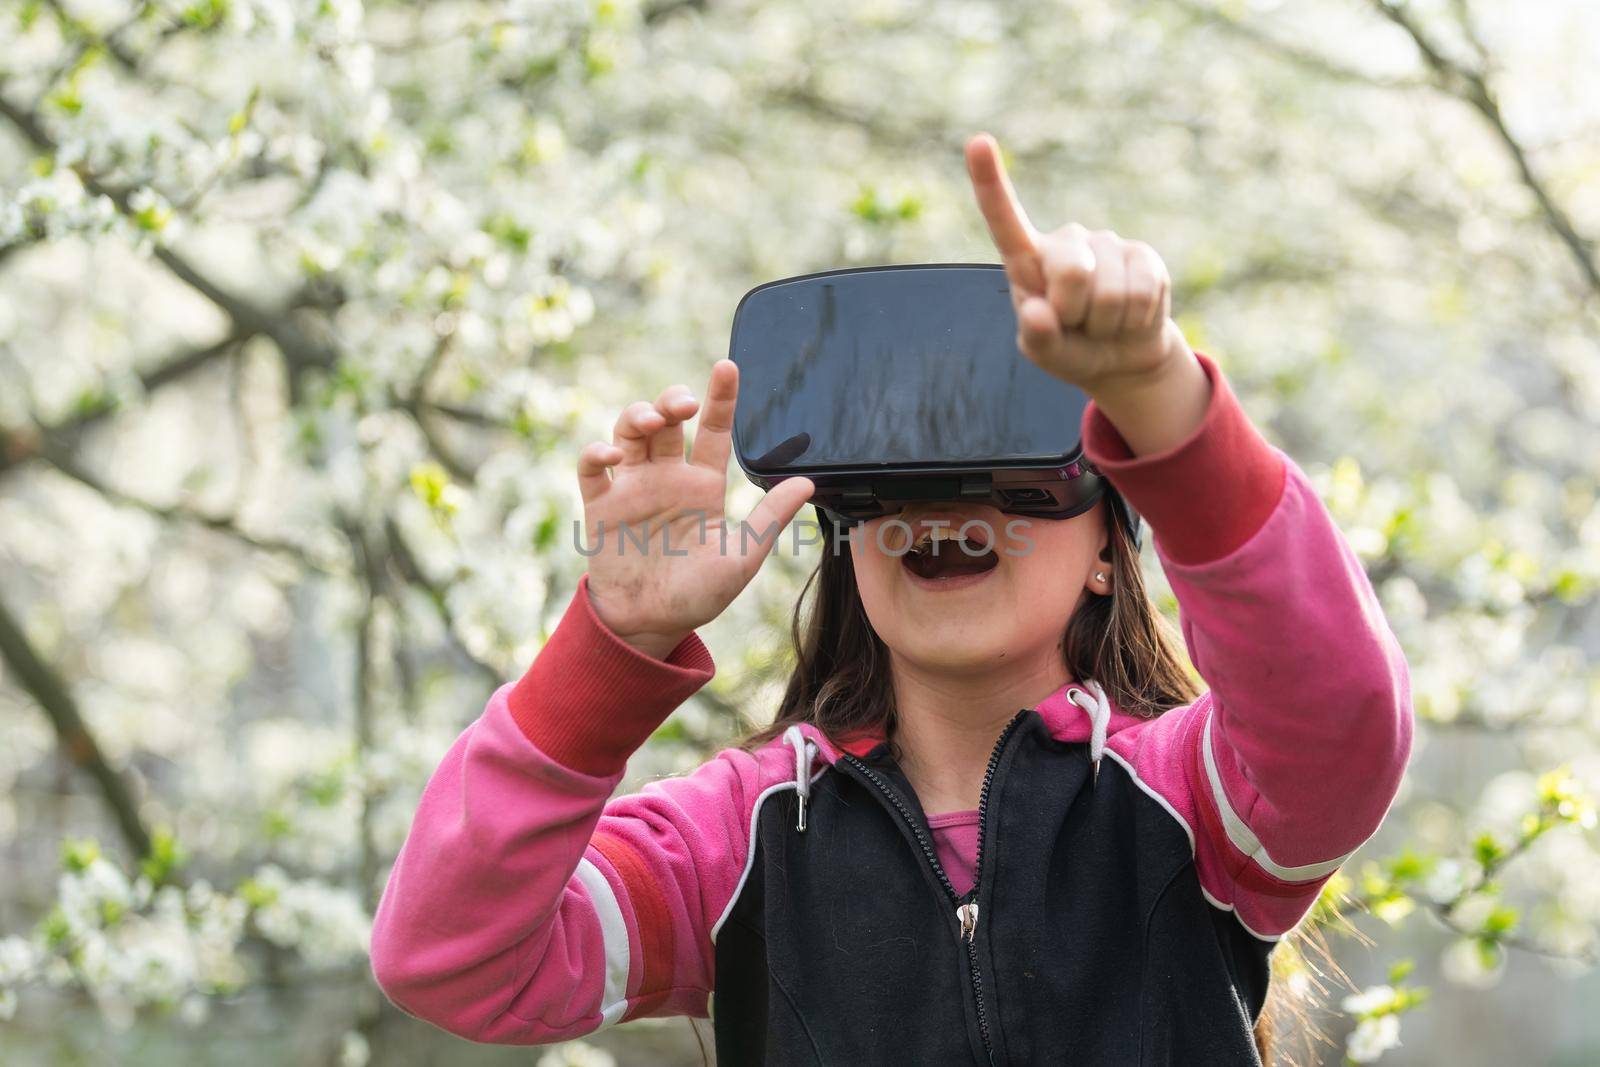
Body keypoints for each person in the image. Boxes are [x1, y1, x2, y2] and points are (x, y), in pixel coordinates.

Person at [369, 133, 1413, 1065]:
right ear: (844, 538)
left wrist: (1158, 396)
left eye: (1007, 474)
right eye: (893, 484)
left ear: (1109, 546)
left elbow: (1338, 722)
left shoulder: (1194, 804)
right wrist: (613, 642)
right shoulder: (739, 842)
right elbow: (453, 960)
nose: (943, 511)